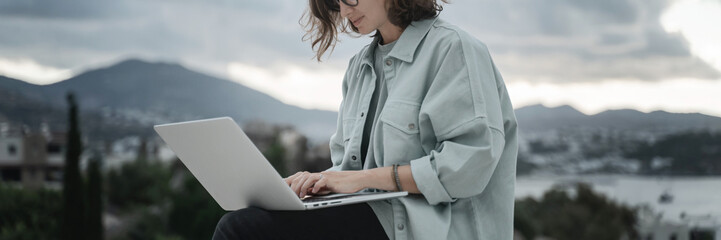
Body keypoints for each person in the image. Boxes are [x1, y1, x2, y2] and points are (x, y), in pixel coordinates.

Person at [212, 0, 518, 239]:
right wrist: (316, 183)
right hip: (371, 217)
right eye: (336, 3)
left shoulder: (455, 49)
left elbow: (468, 166)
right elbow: (347, 168)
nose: (344, 11)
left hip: (430, 231)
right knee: (251, 218)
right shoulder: (359, 68)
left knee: (242, 230)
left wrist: (357, 180)